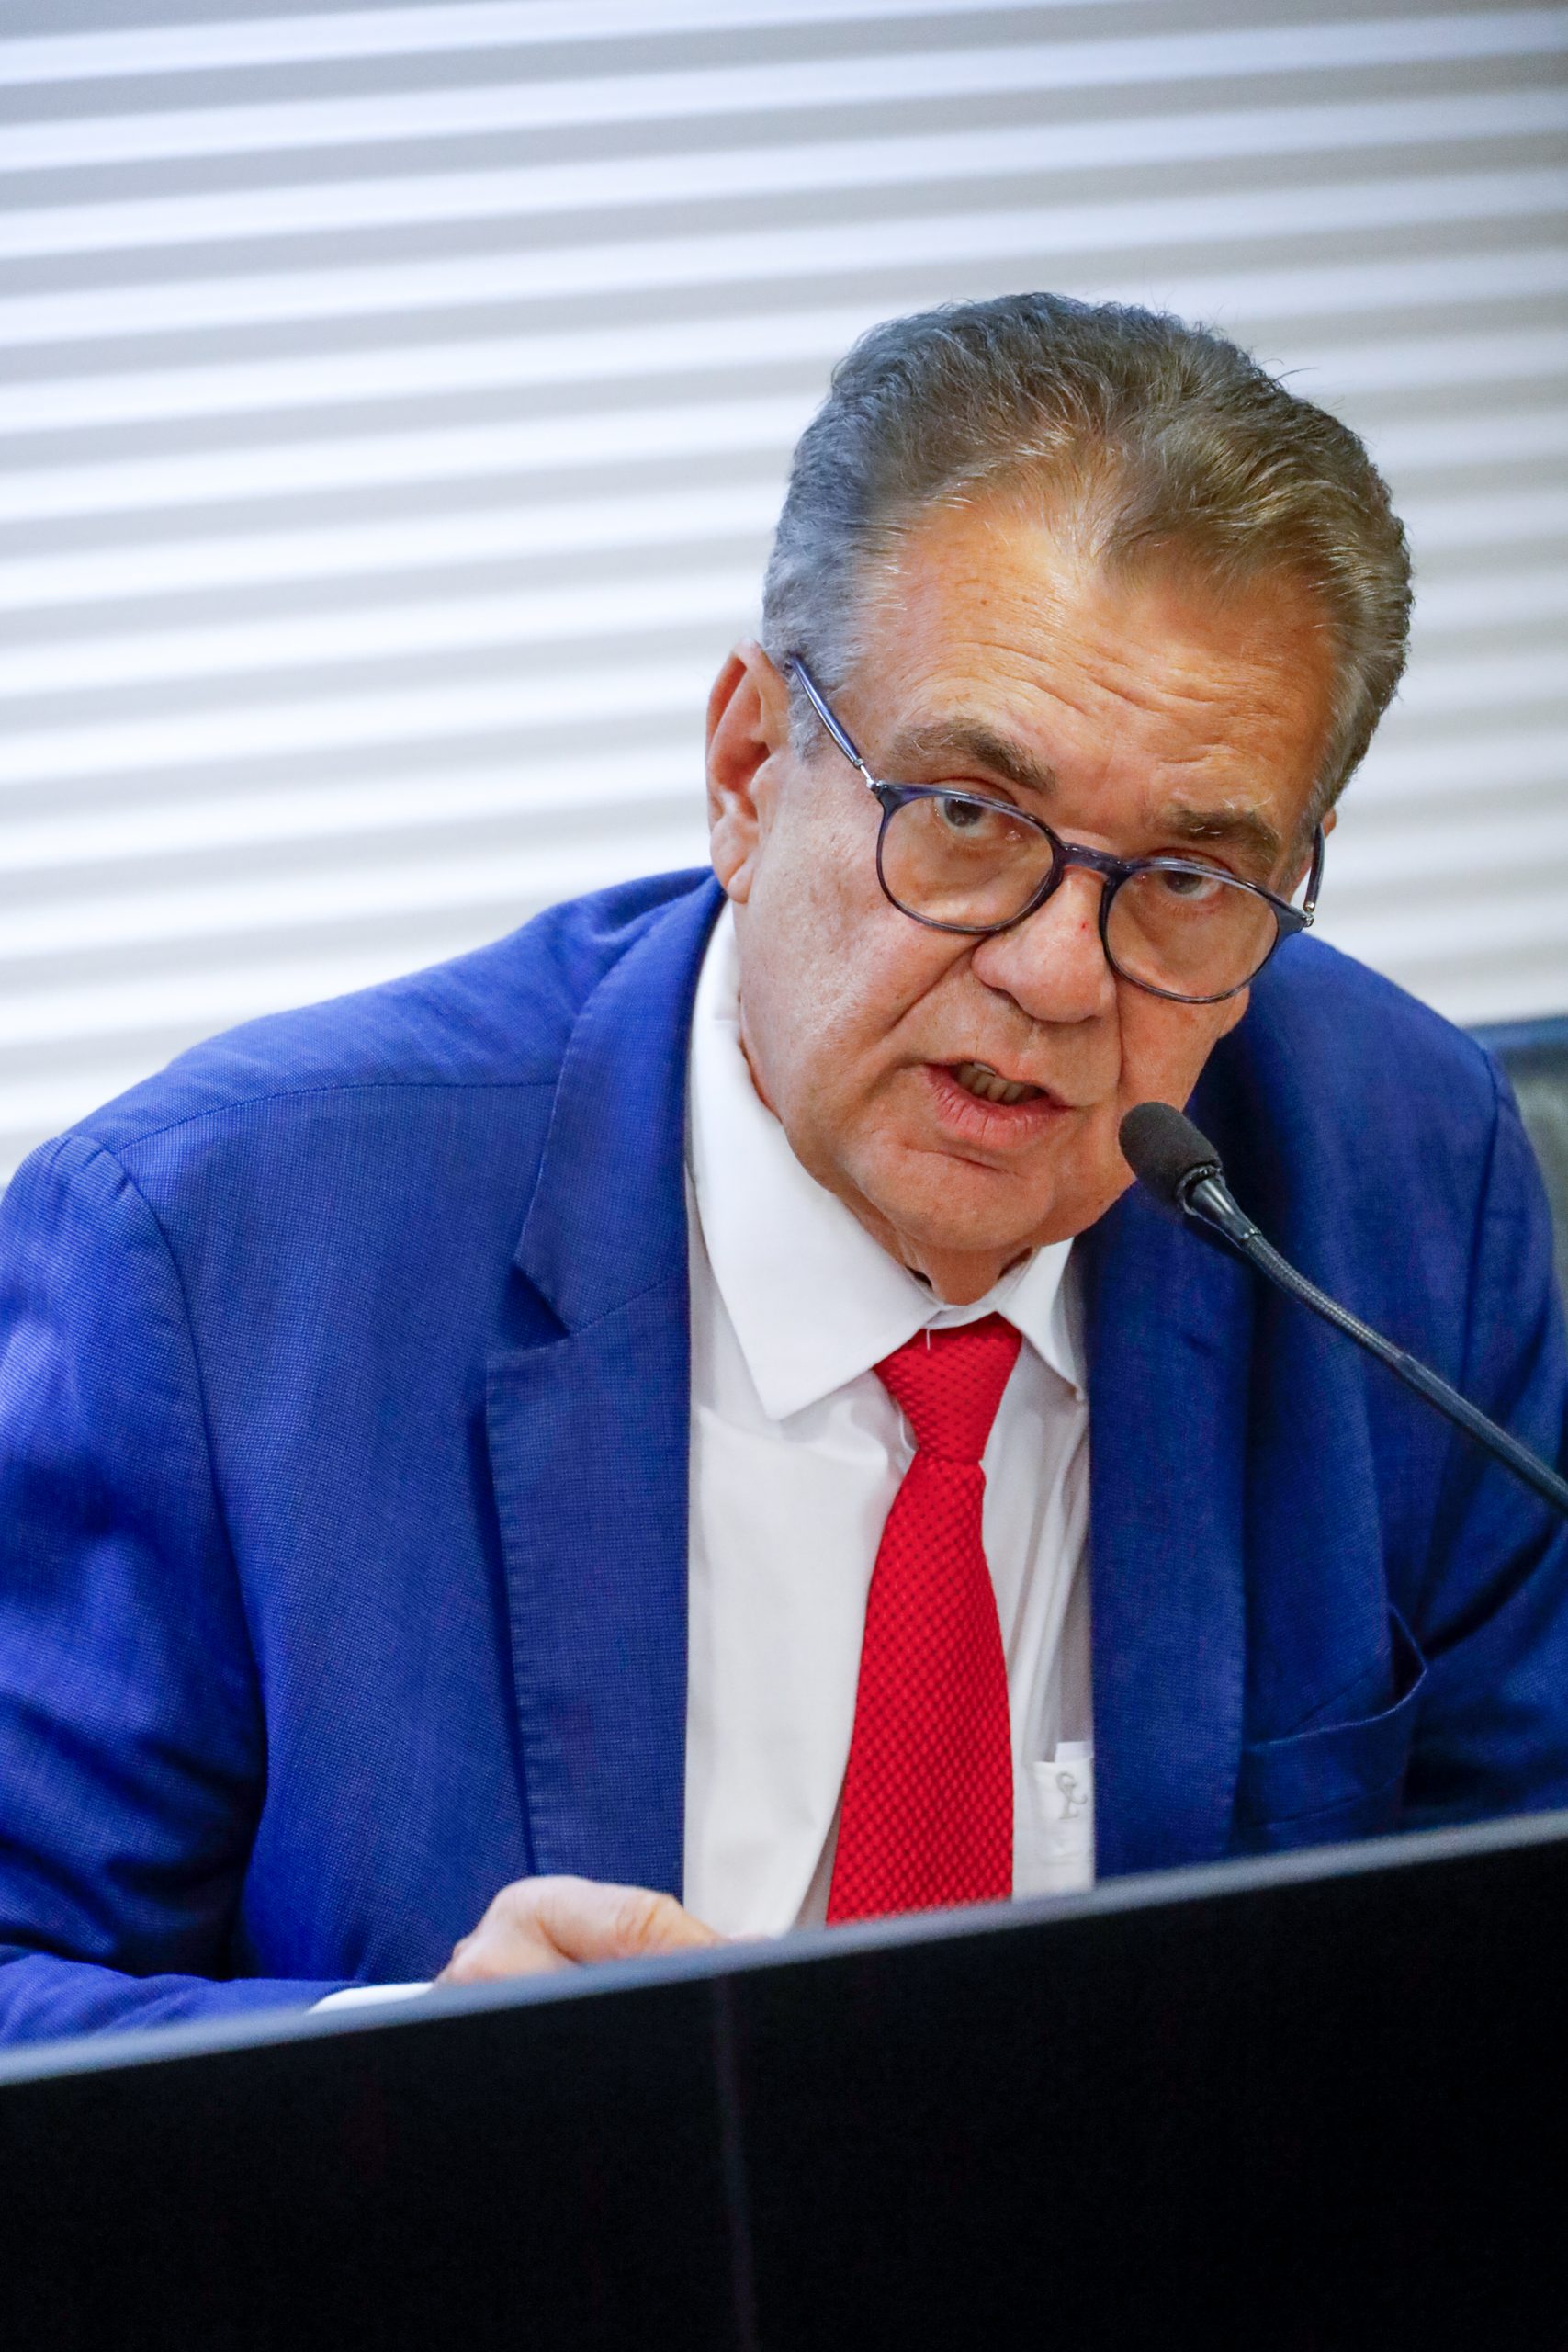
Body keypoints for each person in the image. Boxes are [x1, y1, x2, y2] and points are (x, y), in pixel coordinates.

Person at [1, 294, 1564, 2045]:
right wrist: (392, 2079)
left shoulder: (1401, 1183)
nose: (1059, 975)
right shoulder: (214, 1256)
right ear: (749, 771)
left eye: (1191, 879)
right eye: (967, 816)